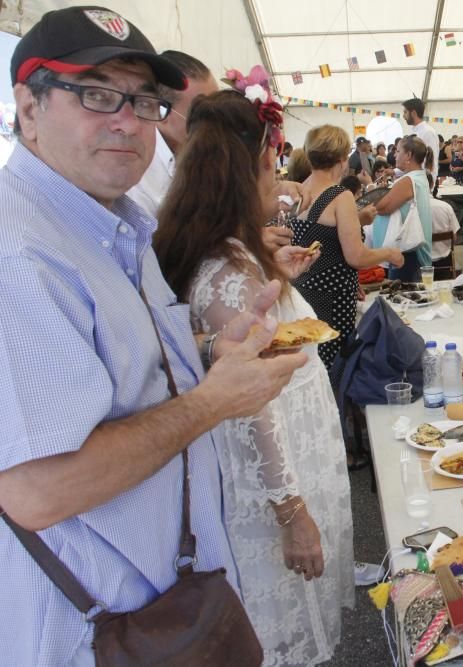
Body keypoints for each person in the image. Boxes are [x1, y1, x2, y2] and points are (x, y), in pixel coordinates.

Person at [0, 8, 306, 664]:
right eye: (97, 94)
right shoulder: (20, 254)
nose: (127, 120)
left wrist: (208, 357)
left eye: (144, 100)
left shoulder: (114, 222)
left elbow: (125, 372)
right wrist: (211, 401)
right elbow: (37, 488)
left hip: (163, 601)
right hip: (98, 627)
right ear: (28, 106)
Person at [153, 86, 354, 666]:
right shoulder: (230, 271)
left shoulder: (228, 252)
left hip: (287, 455)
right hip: (269, 476)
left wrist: (281, 278)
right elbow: (250, 413)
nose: (281, 179)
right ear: (257, 167)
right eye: (275, 161)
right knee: (277, 626)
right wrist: (293, 514)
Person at [290, 125, 403, 367]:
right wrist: (390, 253)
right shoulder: (339, 195)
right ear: (342, 159)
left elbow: (319, 235)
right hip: (333, 298)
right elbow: (356, 257)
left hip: (302, 292)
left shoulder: (300, 190)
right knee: (336, 365)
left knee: (312, 362)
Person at [128, 49, 219, 217]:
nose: (218, 122)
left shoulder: (198, 155)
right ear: (160, 112)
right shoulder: (137, 174)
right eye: (204, 113)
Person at [366, 135, 433, 281]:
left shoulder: (408, 181)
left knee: (402, 299)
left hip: (408, 252)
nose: (395, 155)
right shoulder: (418, 176)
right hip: (412, 252)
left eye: (398, 151)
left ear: (408, 155)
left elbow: (383, 208)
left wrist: (370, 187)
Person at [402, 97, 439, 180]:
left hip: (424, 181)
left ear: (413, 113)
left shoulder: (427, 132)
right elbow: (413, 161)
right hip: (415, 178)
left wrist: (428, 185)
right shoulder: (415, 131)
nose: (403, 116)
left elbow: (430, 161)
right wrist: (396, 171)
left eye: (405, 112)